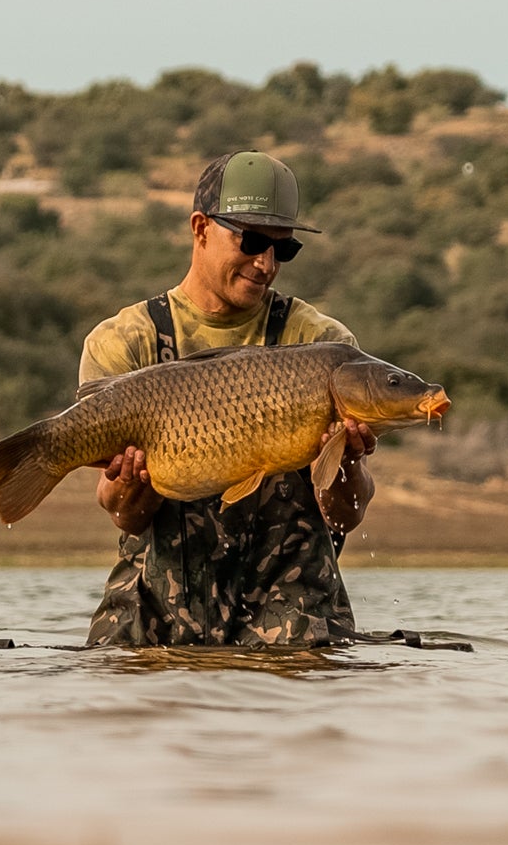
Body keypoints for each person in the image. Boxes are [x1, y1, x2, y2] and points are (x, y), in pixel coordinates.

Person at [81, 150, 376, 647]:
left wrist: (344, 461)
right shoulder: (125, 341)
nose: (266, 264)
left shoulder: (322, 343)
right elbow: (123, 514)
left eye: (284, 250)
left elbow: (347, 515)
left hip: (293, 618)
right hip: (157, 615)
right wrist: (136, 484)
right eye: (253, 241)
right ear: (200, 228)